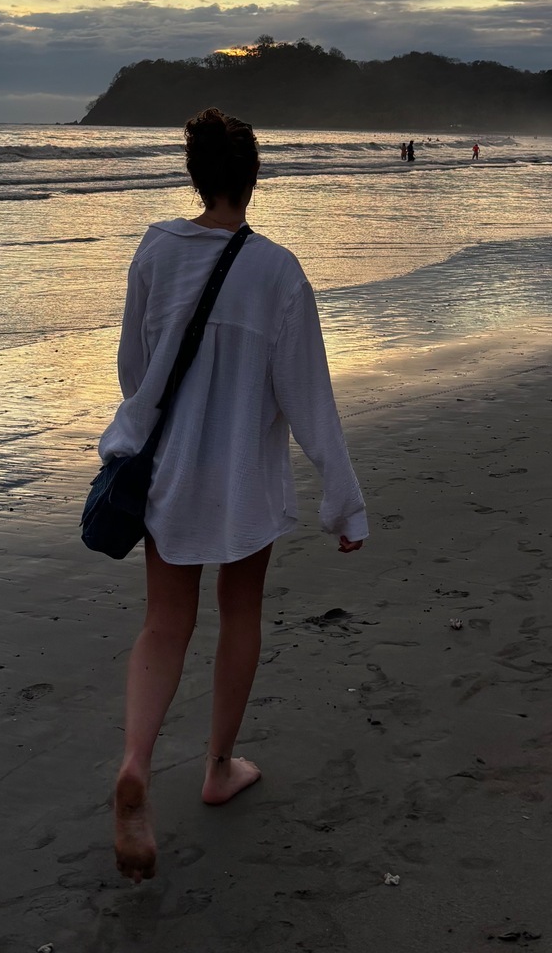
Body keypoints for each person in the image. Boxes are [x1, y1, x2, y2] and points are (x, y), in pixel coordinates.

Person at [102, 108, 366, 883]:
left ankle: (135, 764)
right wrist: (343, 501)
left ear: (195, 175)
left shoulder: (155, 252)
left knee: (164, 621)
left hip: (172, 474)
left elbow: (133, 369)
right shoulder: (277, 272)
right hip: (244, 480)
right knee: (239, 611)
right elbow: (310, 397)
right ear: (253, 179)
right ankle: (218, 767)